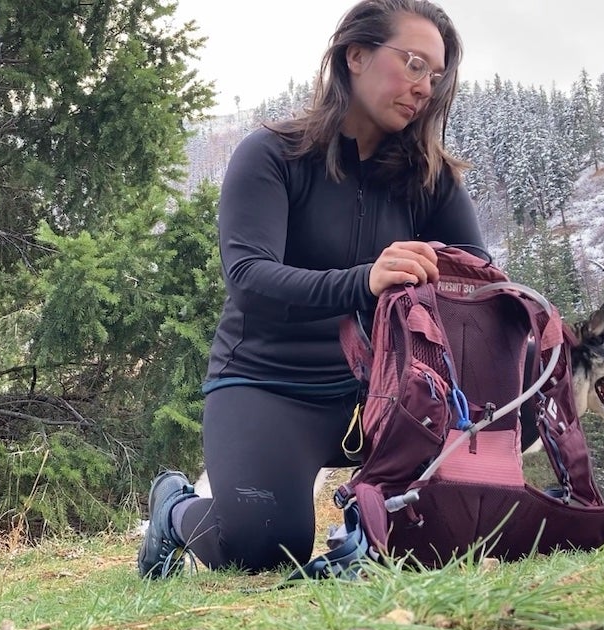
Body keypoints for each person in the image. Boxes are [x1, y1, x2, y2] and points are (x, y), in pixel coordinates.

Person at [138, 0, 487, 579]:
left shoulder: (430, 179)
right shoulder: (273, 155)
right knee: (264, 549)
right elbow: (249, 279)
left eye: (436, 73)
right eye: (413, 63)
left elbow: (476, 279)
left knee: (432, 538)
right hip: (266, 383)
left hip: (382, 392)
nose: (425, 86)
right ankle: (173, 511)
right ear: (356, 55)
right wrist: (365, 279)